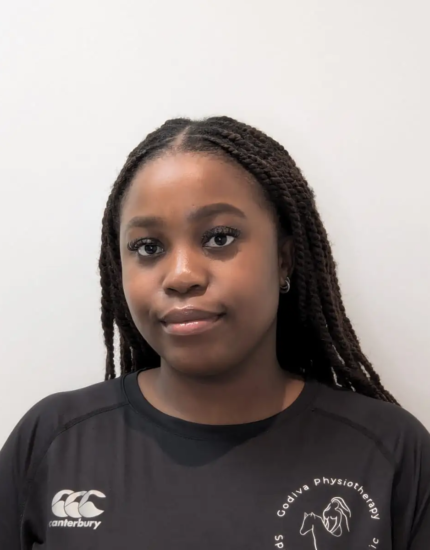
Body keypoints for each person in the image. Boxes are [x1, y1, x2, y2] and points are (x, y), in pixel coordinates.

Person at [0, 116, 428, 550]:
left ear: (284, 259)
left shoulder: (392, 452)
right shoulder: (53, 441)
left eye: (219, 238)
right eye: (148, 247)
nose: (182, 276)